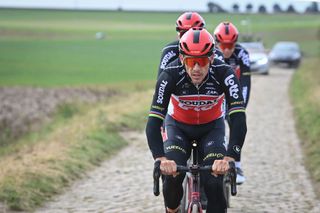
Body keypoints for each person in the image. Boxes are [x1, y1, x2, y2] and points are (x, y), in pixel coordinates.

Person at [146, 28, 247, 213]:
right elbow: (153, 121)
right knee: (173, 178)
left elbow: (239, 118)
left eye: (201, 61)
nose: (196, 69)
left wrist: (231, 156)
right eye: (191, 62)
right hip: (178, 128)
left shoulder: (225, 73)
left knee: (214, 182)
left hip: (211, 130)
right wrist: (160, 158)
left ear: (211, 58)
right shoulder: (169, 75)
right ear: (183, 59)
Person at [213, 22, 251, 185]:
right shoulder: (212, 53)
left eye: (230, 45)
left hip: (234, 92)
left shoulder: (242, 54)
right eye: (223, 45)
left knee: (236, 123)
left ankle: (236, 164)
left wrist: (239, 107)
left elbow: (245, 83)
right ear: (217, 43)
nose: (227, 49)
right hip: (217, 93)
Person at [158, 11, 224, 78]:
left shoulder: (215, 52)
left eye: (194, 35)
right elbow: (161, 78)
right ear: (178, 34)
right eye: (184, 34)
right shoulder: (169, 50)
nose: (189, 38)